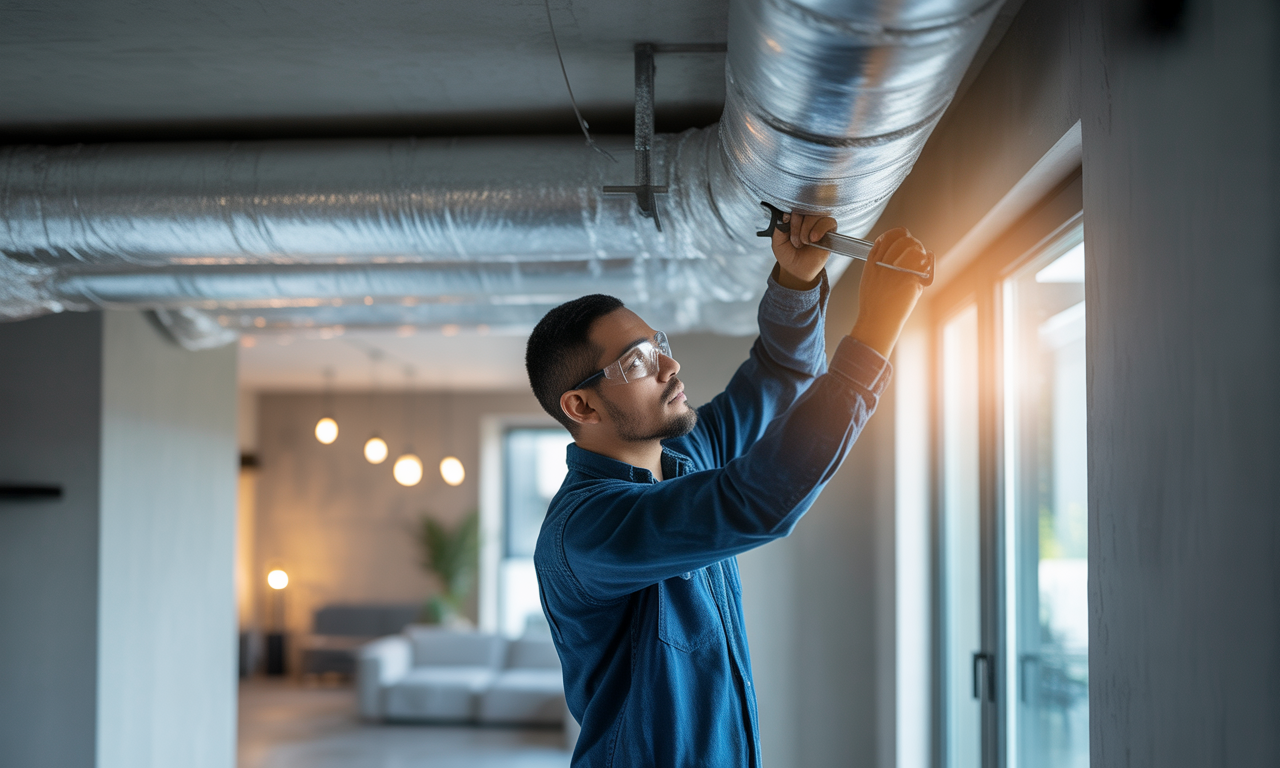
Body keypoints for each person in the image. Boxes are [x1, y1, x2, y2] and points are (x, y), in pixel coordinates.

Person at [523, 213, 928, 767]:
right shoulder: (584, 532)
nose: (670, 364)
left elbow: (780, 371)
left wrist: (798, 280)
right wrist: (874, 338)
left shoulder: (689, 454)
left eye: (656, 344)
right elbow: (752, 501)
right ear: (582, 406)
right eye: (637, 361)